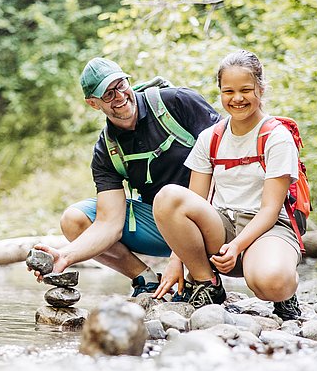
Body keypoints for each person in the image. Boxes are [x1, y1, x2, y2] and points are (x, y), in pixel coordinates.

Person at [31, 57, 220, 297]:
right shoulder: (106, 150)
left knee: (171, 198)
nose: (119, 96)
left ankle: (204, 278)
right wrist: (65, 257)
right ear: (93, 103)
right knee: (74, 220)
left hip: (215, 215)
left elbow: (224, 160)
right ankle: (146, 278)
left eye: (120, 85)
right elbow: (108, 224)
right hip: (162, 225)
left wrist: (179, 258)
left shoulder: (178, 102)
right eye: (108, 94)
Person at [150, 50, 302, 319]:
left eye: (246, 90)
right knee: (168, 197)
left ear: (261, 89)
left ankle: (286, 296)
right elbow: (193, 202)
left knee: (272, 284)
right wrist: (176, 261)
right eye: (228, 91)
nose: (237, 98)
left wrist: (237, 247)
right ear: (220, 92)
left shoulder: (277, 137)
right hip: (221, 227)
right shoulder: (210, 137)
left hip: (267, 228)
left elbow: (269, 210)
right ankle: (207, 284)